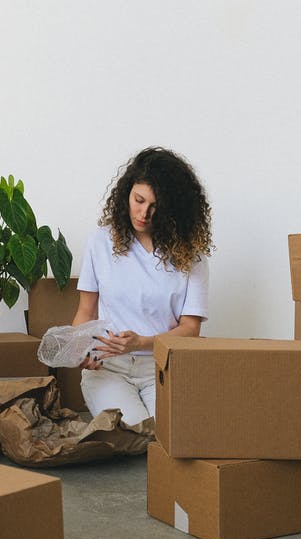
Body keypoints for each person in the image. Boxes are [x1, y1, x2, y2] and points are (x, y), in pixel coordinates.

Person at [72, 147, 213, 428]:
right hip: (109, 369)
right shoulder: (102, 241)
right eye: (138, 200)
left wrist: (142, 343)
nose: (144, 213)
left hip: (162, 367)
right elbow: (84, 313)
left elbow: (190, 330)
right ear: (127, 191)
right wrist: (81, 349)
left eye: (155, 206)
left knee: (170, 435)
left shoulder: (191, 256)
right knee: (135, 435)